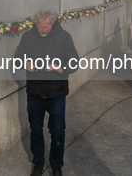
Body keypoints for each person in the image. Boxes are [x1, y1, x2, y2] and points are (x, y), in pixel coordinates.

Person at [15, 10, 79, 176]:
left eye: (46, 27)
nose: (43, 30)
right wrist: (25, 63)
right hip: (35, 93)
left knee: (57, 132)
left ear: (53, 23)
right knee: (35, 131)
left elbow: (74, 62)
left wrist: (61, 68)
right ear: (36, 23)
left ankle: (56, 165)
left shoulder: (64, 37)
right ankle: (38, 163)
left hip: (56, 93)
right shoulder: (28, 37)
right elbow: (17, 57)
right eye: (40, 26)